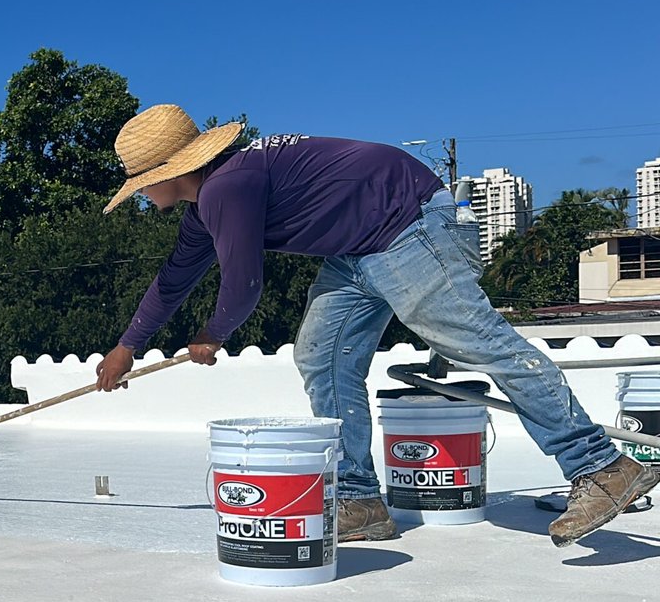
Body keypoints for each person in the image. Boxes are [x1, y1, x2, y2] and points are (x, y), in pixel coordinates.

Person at [92, 104, 656, 547]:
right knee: (322, 354)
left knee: (480, 343)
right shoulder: (210, 201)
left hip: (409, 223)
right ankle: (360, 500)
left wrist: (213, 334)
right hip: (357, 250)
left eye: (142, 182)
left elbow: (243, 283)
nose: (141, 193)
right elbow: (174, 279)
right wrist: (126, 347)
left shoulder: (227, 186)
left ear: (173, 170)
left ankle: (601, 466)